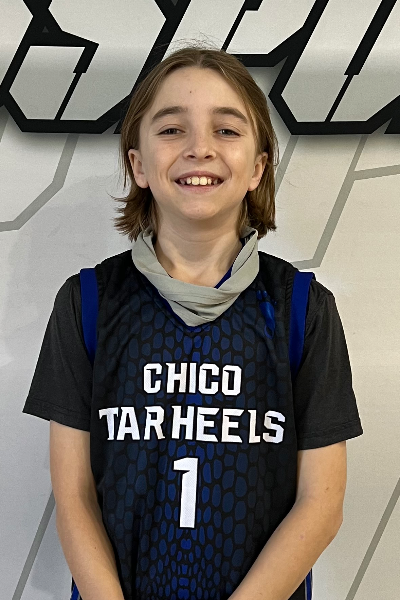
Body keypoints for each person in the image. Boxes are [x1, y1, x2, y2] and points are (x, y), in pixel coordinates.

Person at [22, 44, 363, 600]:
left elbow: (320, 505)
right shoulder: (88, 302)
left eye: (226, 130)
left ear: (258, 167)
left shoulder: (303, 308)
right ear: (138, 164)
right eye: (172, 130)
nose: (199, 148)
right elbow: (75, 496)